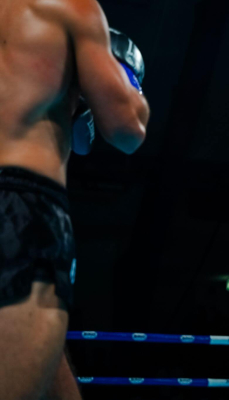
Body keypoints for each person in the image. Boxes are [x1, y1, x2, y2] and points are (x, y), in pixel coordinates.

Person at [0, 0, 150, 398]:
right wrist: (124, 79)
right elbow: (127, 130)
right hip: (23, 207)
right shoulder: (69, 8)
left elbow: (81, 139)